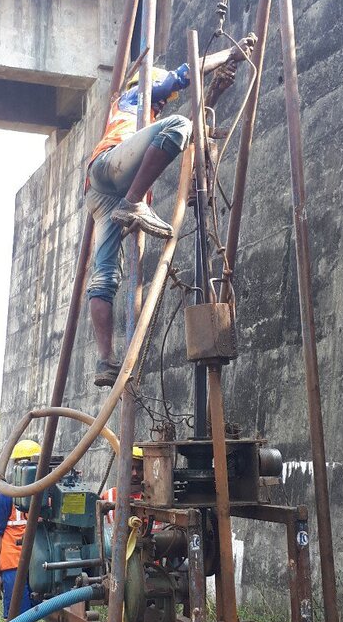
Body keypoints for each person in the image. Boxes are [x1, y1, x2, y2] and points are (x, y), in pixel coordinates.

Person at [85, 40, 255, 387]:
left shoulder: (137, 122)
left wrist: (216, 90)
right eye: (158, 99)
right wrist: (231, 53)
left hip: (101, 192)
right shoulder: (134, 100)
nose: (160, 104)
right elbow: (183, 76)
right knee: (176, 125)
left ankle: (106, 361)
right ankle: (135, 204)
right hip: (111, 171)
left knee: (104, 277)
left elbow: (194, 130)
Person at [0, 439, 40, 618]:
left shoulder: (46, 494)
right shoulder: (7, 496)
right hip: (13, 566)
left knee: (40, 615)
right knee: (16, 619)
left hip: (40, 566)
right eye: (21, 464)